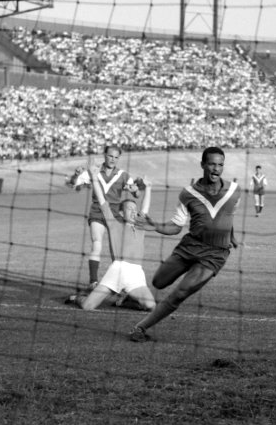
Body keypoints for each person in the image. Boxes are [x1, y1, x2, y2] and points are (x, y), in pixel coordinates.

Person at [128, 146, 240, 342]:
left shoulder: (233, 191)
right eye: (212, 164)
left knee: (180, 293)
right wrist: (154, 226)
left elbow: (229, 215)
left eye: (220, 165)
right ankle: (128, 297)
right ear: (203, 165)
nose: (216, 169)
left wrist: (231, 235)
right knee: (158, 282)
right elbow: (176, 226)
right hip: (189, 246)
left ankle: (141, 327)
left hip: (215, 254)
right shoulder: (188, 193)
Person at [65, 171, 156, 312]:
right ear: (121, 213)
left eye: (135, 210)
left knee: (150, 305)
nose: (134, 212)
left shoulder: (140, 225)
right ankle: (78, 298)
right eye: (129, 209)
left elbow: (145, 208)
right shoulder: (114, 224)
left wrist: (148, 188)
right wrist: (95, 179)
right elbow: (102, 200)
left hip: (136, 273)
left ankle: (124, 301)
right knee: (88, 306)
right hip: (117, 270)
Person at [74, 145, 137, 290]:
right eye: (110, 156)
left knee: (116, 250)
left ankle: (119, 285)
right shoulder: (94, 171)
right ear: (104, 155)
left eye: (116, 157)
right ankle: (93, 282)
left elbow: (136, 193)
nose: (113, 159)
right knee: (97, 243)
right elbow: (76, 187)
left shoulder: (124, 175)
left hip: (115, 214)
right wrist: (76, 175)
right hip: (97, 211)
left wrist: (135, 190)